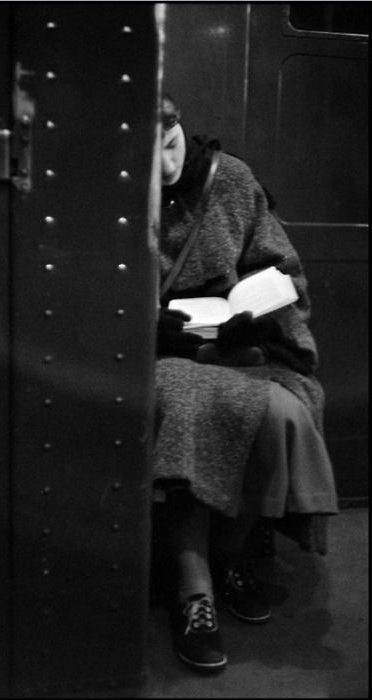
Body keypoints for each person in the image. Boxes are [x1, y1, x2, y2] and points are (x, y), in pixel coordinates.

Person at [153, 94, 338, 673]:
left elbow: (281, 266)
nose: (164, 165)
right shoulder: (111, 190)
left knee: (286, 412)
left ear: (183, 128)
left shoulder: (231, 179)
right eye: (146, 152)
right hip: (165, 353)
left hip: (242, 348)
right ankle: (195, 591)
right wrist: (152, 326)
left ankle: (232, 552)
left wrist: (253, 314)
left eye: (172, 144)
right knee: (185, 408)